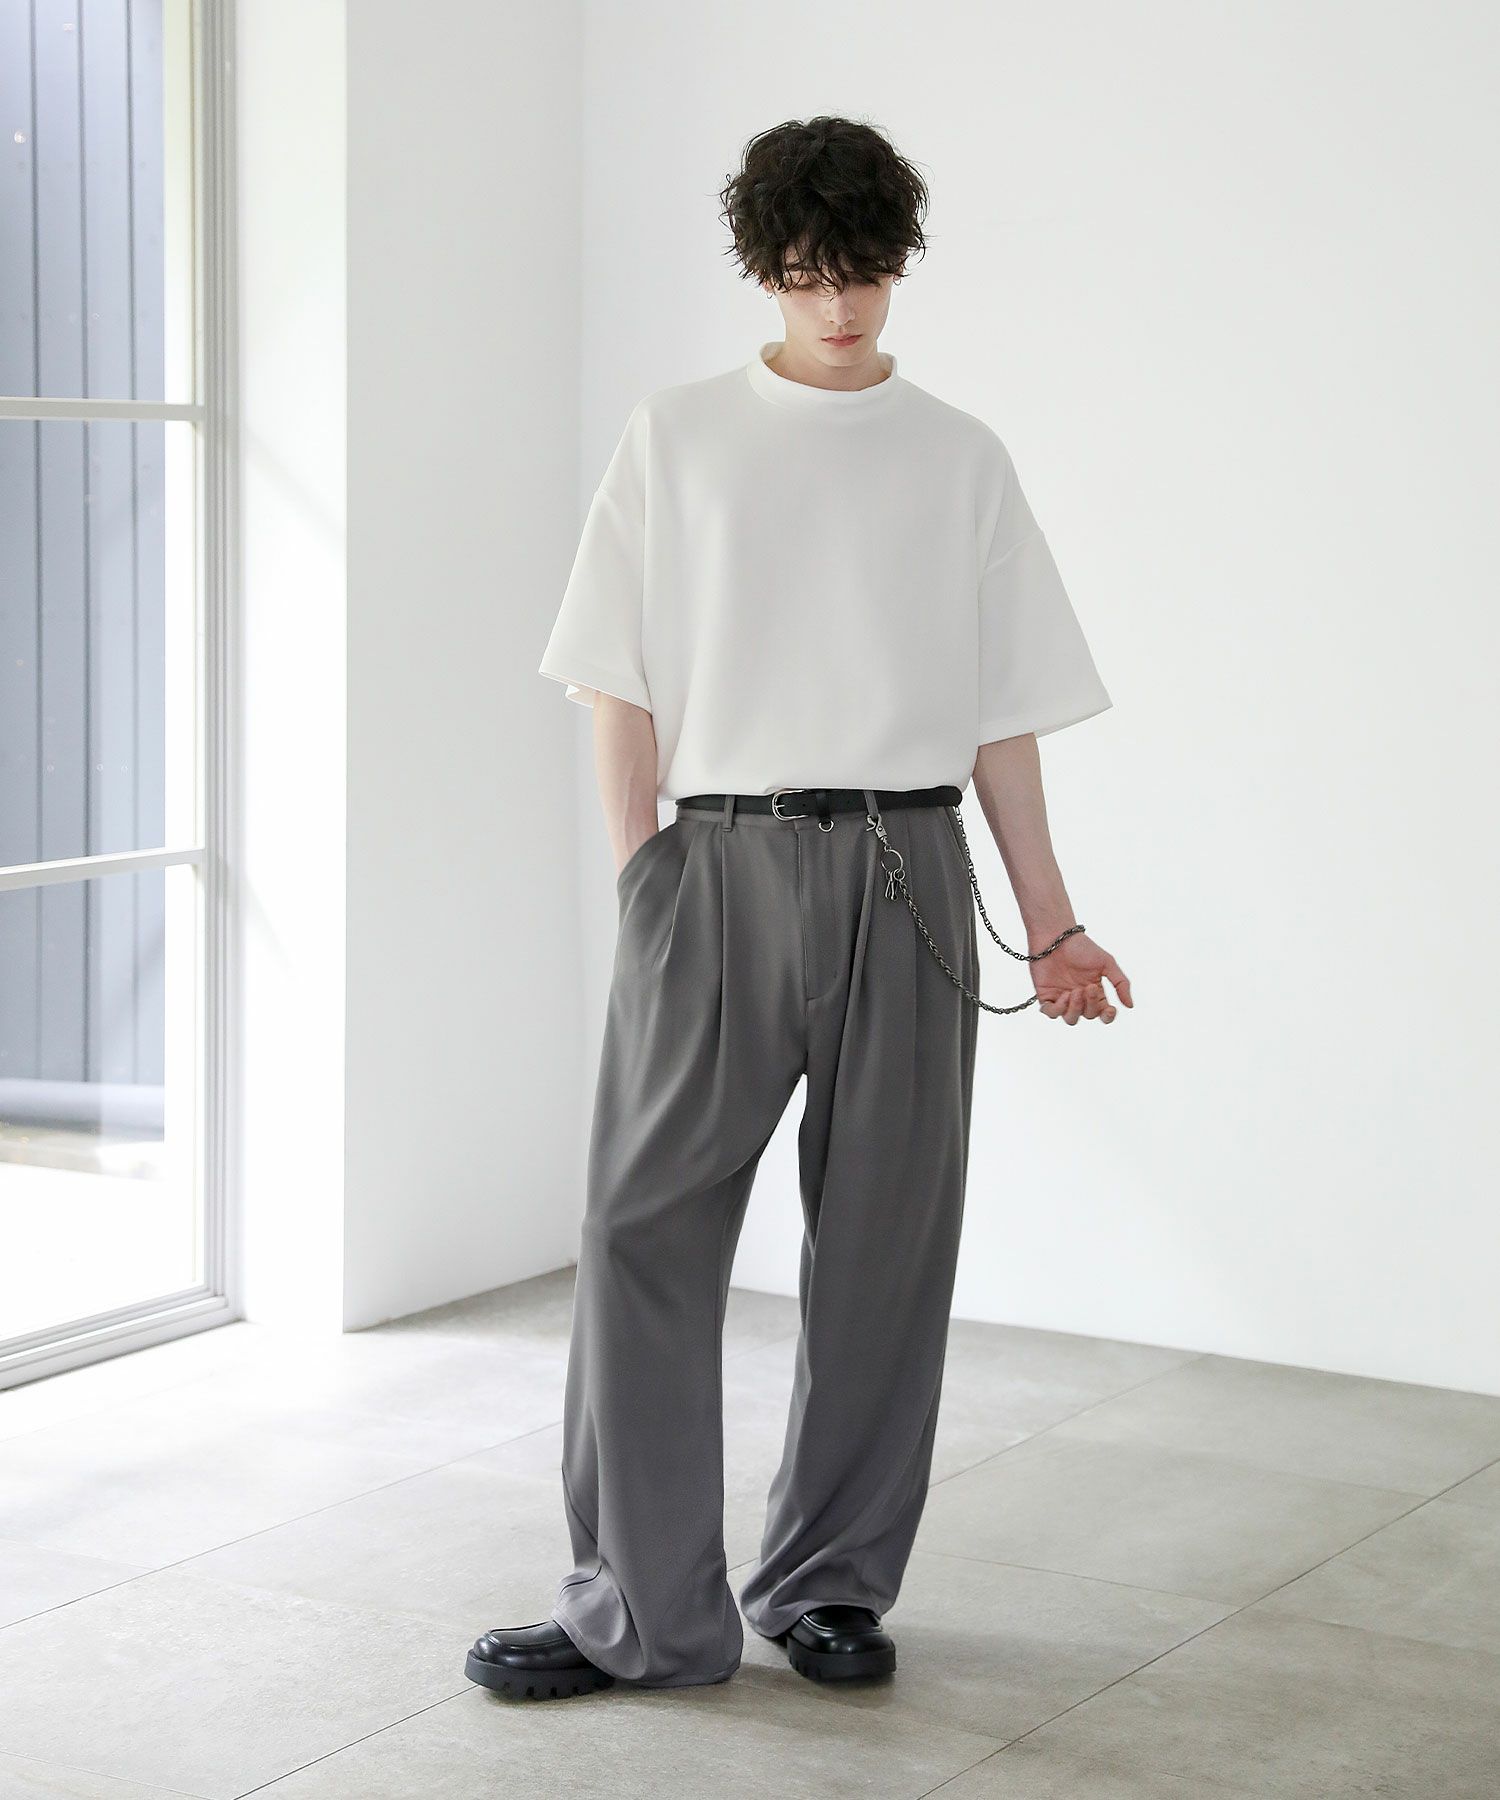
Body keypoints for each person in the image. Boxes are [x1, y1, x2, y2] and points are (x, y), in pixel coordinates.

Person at [465, 114, 1132, 1703]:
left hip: (912, 865)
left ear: (900, 264)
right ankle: (642, 1610)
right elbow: (614, 678)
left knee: (885, 1246)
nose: (840, 305)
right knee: (640, 1228)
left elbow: (1003, 718)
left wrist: (1053, 922)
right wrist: (643, 872)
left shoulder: (958, 457)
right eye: (810, 273)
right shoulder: (680, 437)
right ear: (764, 269)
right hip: (719, 865)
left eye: (866, 272)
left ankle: (829, 1583)